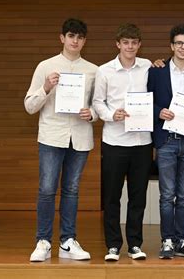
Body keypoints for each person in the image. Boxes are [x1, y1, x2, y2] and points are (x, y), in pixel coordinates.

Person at [25, 18, 97, 262]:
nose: (75, 41)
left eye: (79, 37)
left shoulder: (93, 70)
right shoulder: (45, 66)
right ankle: (43, 241)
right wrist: (46, 87)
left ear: (84, 41)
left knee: (72, 190)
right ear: (62, 38)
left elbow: (98, 105)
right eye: (70, 36)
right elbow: (29, 106)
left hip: (79, 137)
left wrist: (93, 114)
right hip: (52, 136)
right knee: (46, 189)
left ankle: (68, 241)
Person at [93, 23, 153, 261]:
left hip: (141, 142)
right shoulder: (104, 70)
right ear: (118, 44)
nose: (130, 47)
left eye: (134, 43)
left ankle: (135, 245)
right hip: (115, 140)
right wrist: (110, 114)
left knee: (138, 196)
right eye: (125, 42)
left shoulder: (148, 66)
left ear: (139, 45)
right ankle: (113, 245)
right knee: (111, 196)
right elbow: (98, 102)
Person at [147, 24, 184, 259]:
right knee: (166, 194)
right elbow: (145, 102)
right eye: (179, 43)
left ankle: (182, 240)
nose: (183, 47)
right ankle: (167, 241)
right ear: (172, 46)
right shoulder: (156, 72)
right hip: (167, 141)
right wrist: (159, 111)